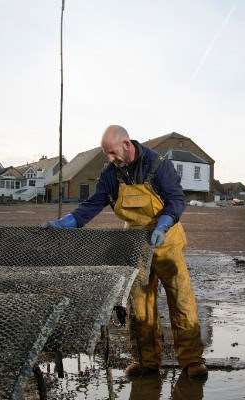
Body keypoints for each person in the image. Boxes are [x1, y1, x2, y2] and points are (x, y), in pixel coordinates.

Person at [46, 125, 207, 379]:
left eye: (111, 152)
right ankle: (146, 361)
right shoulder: (111, 173)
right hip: (135, 242)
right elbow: (94, 203)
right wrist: (71, 220)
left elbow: (176, 199)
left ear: (127, 144)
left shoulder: (158, 165)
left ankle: (192, 362)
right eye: (105, 154)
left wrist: (164, 223)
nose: (109, 159)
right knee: (140, 303)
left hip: (167, 239)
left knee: (181, 298)